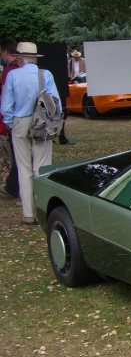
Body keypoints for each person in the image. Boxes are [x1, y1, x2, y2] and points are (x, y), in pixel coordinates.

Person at [1, 42, 61, 224]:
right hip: (41, 121)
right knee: (41, 167)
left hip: (20, 122)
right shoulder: (46, 75)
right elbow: (55, 103)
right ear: (35, 57)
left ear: (20, 57)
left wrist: (12, 124)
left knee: (23, 167)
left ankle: (28, 213)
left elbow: (6, 106)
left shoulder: (13, 75)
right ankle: (42, 208)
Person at [0, 39, 20, 199]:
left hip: (13, 121)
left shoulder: (9, 72)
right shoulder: (40, 73)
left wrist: (6, 123)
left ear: (6, 52)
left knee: (14, 156)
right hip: (32, 121)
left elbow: (6, 99)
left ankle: (13, 186)